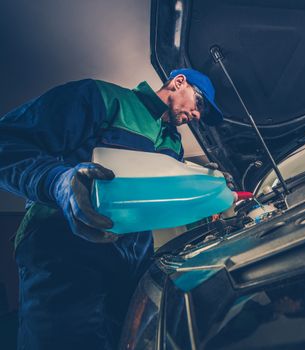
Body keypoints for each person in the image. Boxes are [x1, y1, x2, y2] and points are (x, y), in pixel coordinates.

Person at [0, 68, 224, 349]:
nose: (198, 116)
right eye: (199, 103)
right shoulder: (101, 97)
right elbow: (6, 141)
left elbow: (161, 202)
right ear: (179, 82)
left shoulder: (173, 144)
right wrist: (58, 181)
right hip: (63, 250)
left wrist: (204, 190)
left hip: (132, 266)